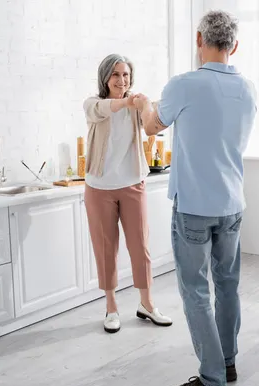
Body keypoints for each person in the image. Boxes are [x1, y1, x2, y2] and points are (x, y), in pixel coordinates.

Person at [133, 10, 257, 386]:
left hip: (194, 208)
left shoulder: (184, 84)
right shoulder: (249, 88)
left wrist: (142, 105)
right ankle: (228, 361)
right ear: (234, 45)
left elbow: (153, 125)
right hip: (233, 202)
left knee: (195, 290)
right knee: (228, 284)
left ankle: (211, 381)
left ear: (199, 41)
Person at [83, 54, 172, 334]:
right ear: (105, 78)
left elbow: (152, 125)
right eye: (116, 75)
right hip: (99, 187)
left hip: (133, 183)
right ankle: (111, 308)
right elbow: (105, 109)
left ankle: (146, 304)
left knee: (140, 246)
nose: (122, 80)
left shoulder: (136, 105)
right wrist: (131, 101)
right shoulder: (94, 104)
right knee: (106, 249)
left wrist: (147, 106)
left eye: (126, 75)